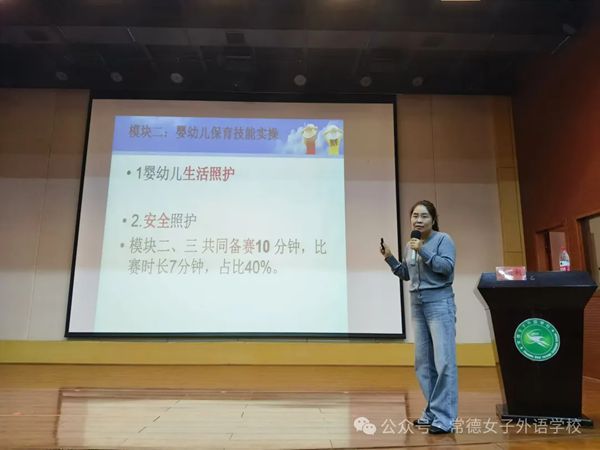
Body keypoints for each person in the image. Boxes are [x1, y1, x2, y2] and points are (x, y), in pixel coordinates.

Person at [381, 200, 457, 434]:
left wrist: (422, 249)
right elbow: (406, 274)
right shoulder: (409, 244)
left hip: (439, 303)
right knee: (424, 364)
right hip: (417, 305)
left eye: (424, 216)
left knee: (444, 361)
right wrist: (390, 257)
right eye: (415, 216)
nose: (418, 220)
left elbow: (446, 268)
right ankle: (432, 412)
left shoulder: (443, 240)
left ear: (433, 219)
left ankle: (445, 419)